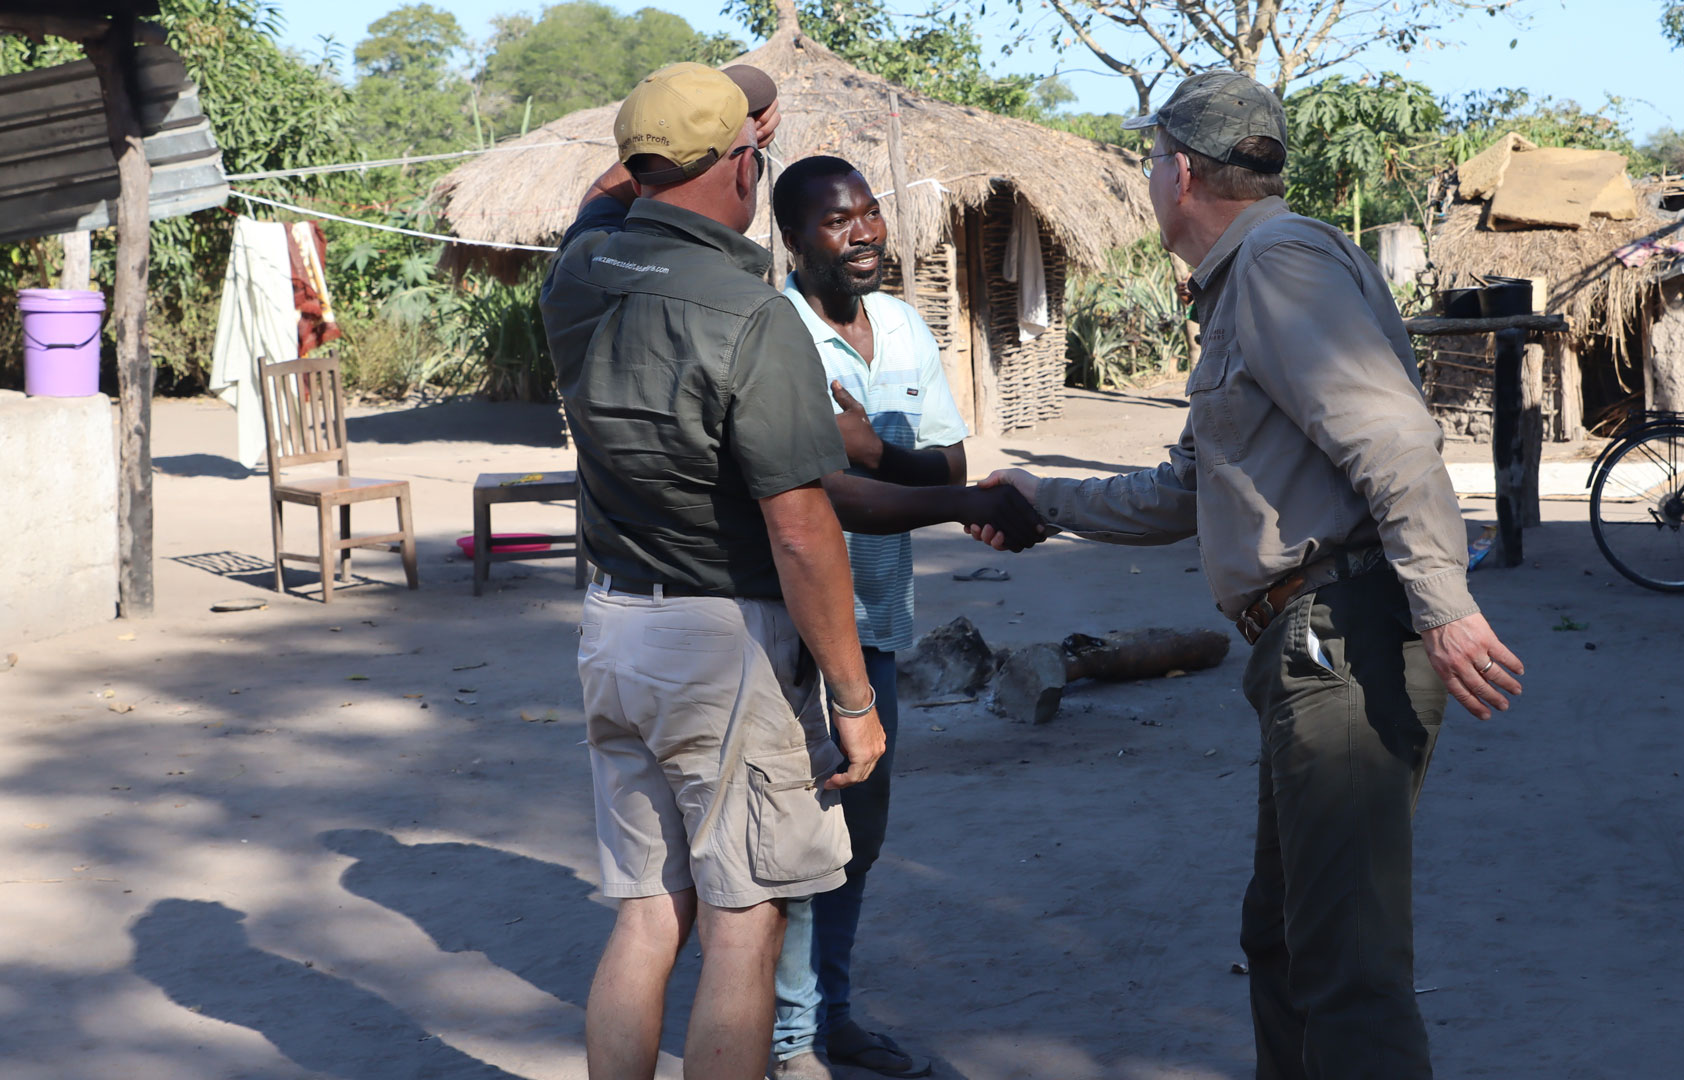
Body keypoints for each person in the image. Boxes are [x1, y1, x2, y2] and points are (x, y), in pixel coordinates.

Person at [970, 70, 1523, 1080]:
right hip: (1306, 643)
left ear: (1179, 170)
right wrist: (1040, 499)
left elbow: (1393, 441)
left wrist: (1446, 608)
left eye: (1149, 161)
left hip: (1342, 635)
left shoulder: (1276, 265)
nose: (1148, 177)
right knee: (1282, 935)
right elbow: (1190, 490)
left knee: (1346, 965)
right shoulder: (1250, 281)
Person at [539, 62, 885, 1080]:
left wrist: (712, 105)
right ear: (742, 166)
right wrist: (854, 699)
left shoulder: (580, 274)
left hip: (614, 626)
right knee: (746, 921)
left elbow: (608, 196)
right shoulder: (750, 311)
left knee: (649, 913)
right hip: (724, 646)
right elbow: (802, 530)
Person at [766, 154, 1045, 1079]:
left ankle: (831, 1016)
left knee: (859, 833)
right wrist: (893, 465)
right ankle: (789, 1039)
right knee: (797, 837)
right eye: (838, 221)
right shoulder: (776, 336)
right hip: (790, 622)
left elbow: (946, 469)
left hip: (877, 617)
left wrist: (872, 447)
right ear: (794, 237)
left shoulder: (902, 326)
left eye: (871, 213)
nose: (866, 233)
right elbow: (826, 499)